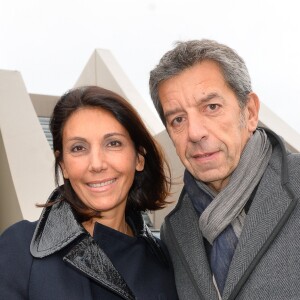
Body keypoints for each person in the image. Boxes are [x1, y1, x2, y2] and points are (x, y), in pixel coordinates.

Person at [149, 39, 300, 300]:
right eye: (178, 119)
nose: (195, 133)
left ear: (250, 112)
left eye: (212, 107)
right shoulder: (174, 231)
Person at [0, 86, 179, 300]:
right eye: (78, 148)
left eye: (113, 143)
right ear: (63, 165)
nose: (96, 164)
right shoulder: (20, 247)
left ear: (139, 158)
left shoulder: (166, 257)